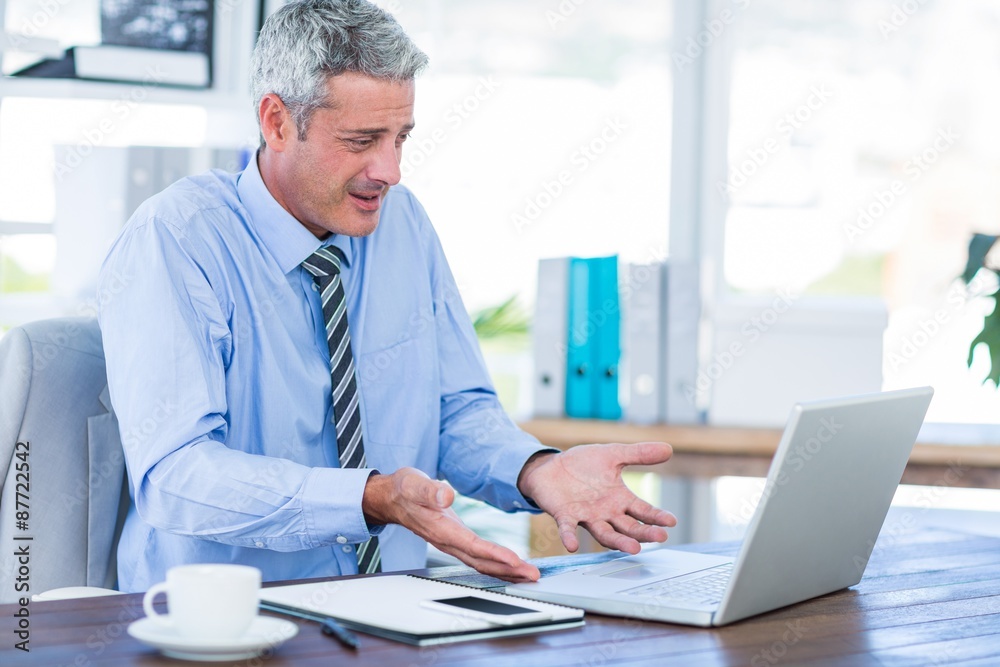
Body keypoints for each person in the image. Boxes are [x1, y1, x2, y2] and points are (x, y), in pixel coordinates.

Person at [98, 0, 677, 593]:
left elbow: (456, 411)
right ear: (276, 121)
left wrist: (536, 469)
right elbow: (177, 475)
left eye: (401, 138)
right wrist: (369, 498)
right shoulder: (176, 239)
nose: (390, 170)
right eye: (362, 140)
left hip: (390, 609)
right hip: (221, 622)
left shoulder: (402, 226)